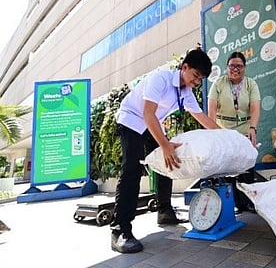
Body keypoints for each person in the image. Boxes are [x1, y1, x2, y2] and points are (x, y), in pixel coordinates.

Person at [111, 47, 221, 253]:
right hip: (132, 119)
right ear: (184, 67)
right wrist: (165, 145)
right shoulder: (160, 79)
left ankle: (164, 211)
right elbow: (148, 113)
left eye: (200, 79)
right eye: (195, 76)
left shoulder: (186, 92)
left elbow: (203, 118)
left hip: (151, 124)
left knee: (169, 162)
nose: (196, 82)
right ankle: (120, 229)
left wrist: (228, 137)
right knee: (132, 170)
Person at [207, 51, 261, 213]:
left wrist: (253, 128)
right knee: (228, 165)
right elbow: (211, 110)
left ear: (244, 67)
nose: (235, 69)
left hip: (244, 129)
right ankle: (234, 203)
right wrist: (214, 132)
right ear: (226, 67)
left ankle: (248, 202)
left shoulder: (251, 84)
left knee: (246, 164)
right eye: (232, 66)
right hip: (224, 129)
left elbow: (255, 108)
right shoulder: (218, 83)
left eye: (239, 66)